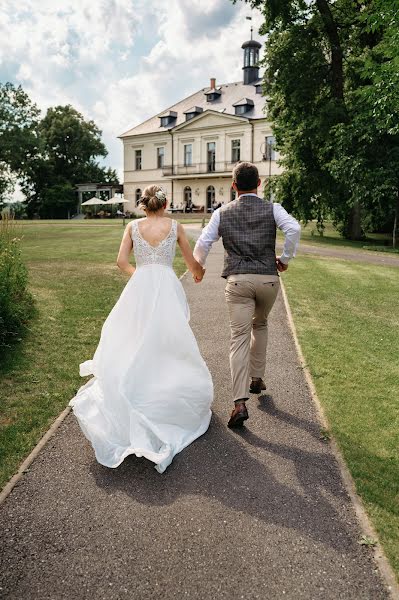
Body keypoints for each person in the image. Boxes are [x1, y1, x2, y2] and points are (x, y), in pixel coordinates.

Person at [69, 185, 213, 473]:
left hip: (140, 287)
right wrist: (199, 273)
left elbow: (121, 262)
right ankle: (165, 392)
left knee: (135, 337)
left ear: (144, 204)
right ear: (166, 202)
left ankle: (136, 386)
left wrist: (142, 276)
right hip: (167, 287)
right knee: (169, 340)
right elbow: (191, 263)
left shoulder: (133, 226)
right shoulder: (176, 226)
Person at [193, 162, 300, 428]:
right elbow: (294, 229)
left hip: (238, 281)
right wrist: (284, 259)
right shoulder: (273, 208)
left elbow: (203, 242)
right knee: (260, 324)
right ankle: (257, 378)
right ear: (259, 183)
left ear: (233, 185)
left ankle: (239, 402)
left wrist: (198, 268)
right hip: (268, 279)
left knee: (239, 337)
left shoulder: (222, 212)